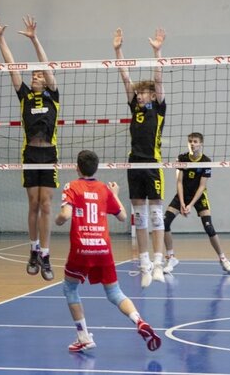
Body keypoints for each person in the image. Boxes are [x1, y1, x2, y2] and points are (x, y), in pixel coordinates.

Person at [55, 150, 162, 352]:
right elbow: (122, 216)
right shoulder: (104, 189)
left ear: (77, 168)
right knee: (114, 292)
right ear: (96, 168)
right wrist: (115, 195)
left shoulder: (72, 186)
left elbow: (65, 215)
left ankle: (83, 336)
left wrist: (57, 220)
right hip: (103, 248)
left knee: (70, 288)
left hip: (81, 247)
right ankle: (139, 320)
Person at [0, 14, 58, 281]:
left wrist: (34, 39)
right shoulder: (25, 95)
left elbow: (47, 66)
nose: (36, 76)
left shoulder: (53, 96)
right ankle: (33, 250)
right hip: (30, 154)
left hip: (49, 154)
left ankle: (46, 255)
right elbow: (11, 66)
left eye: (39, 75)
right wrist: (1, 39)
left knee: (46, 205)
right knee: (33, 203)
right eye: (34, 75)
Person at [113, 27, 166, 288]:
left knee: (156, 216)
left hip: (153, 164)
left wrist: (157, 52)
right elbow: (125, 77)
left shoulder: (159, 108)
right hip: (134, 163)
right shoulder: (135, 108)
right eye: (139, 93)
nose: (140, 94)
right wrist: (118, 50)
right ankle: (144, 265)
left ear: (153, 95)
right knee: (140, 218)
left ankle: (158, 264)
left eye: (144, 92)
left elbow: (158, 78)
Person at [162, 133, 230, 274]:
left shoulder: (206, 161)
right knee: (164, 223)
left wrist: (190, 205)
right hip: (182, 194)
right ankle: (171, 257)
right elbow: (179, 182)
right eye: (190, 141)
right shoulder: (182, 158)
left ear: (201, 143)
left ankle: (223, 259)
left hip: (199, 196)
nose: (192, 144)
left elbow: (202, 186)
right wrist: (182, 203)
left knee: (209, 227)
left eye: (195, 141)